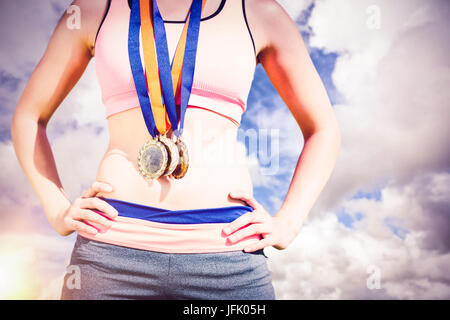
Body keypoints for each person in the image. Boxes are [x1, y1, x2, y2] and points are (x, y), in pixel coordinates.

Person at [11, 0, 341, 300]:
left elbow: (323, 129)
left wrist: (288, 223)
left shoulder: (260, 12)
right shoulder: (93, 10)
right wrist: (57, 211)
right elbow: (29, 117)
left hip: (227, 255)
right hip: (109, 252)